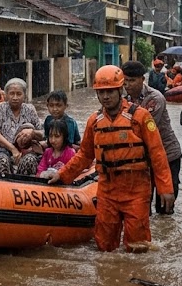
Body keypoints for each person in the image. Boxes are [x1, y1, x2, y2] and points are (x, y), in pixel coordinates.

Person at [46, 65, 175, 253]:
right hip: (107, 189)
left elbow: (157, 154)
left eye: (110, 91)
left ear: (120, 90)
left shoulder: (140, 117)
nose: (105, 96)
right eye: (101, 92)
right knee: (105, 246)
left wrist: (165, 189)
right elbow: (84, 155)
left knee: (137, 245)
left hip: (136, 189)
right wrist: (62, 175)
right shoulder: (94, 121)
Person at [122, 61, 182, 209]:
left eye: (132, 80)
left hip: (167, 155)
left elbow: (142, 130)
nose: (128, 85)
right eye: (125, 81)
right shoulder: (122, 98)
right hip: (142, 158)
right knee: (142, 206)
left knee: (165, 208)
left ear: (142, 79)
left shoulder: (155, 98)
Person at [0, 78, 43, 175]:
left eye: (19, 94)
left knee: (29, 160)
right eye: (12, 93)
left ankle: (24, 188)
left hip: (25, 151)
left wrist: (32, 133)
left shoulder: (30, 109)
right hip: (1, 150)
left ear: (24, 95)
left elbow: (42, 134)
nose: (15, 97)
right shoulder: (0, 108)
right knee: (2, 161)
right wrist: (13, 149)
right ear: (7, 95)